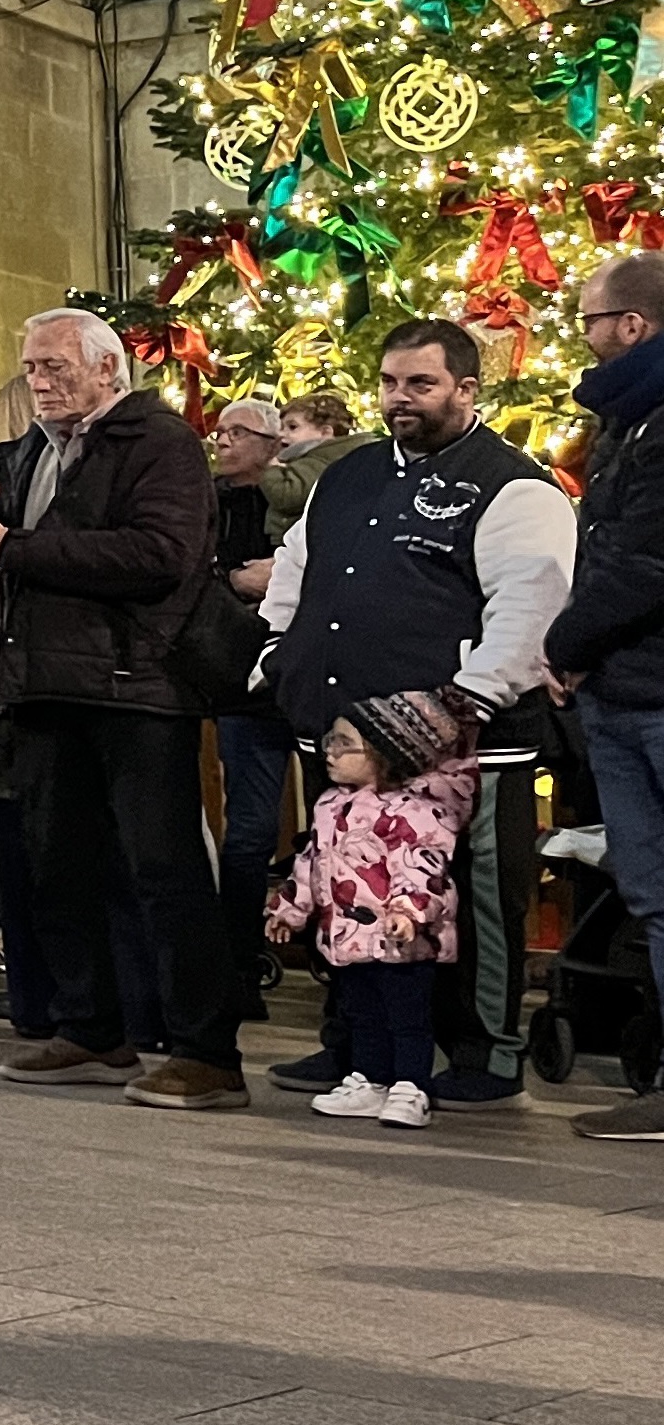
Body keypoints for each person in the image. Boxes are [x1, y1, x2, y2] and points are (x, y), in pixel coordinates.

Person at [254, 320, 571, 1111]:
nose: (401, 398)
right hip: (341, 733)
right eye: (392, 382)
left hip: (463, 742)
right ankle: (356, 1047)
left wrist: (464, 702)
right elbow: (297, 569)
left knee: (474, 895)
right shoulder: (350, 473)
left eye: (421, 384)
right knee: (344, 883)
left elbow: (531, 609)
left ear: (467, 390)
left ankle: (483, 1052)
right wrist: (275, 655)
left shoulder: (513, 485)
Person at [0, 308, 248, 1108]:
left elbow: (161, 554)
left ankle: (205, 1049)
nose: (39, 381)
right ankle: (91, 1027)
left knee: (163, 868)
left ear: (108, 371)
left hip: (136, 687)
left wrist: (16, 546)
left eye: (55, 366)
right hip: (46, 686)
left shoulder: (158, 444)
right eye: (31, 367)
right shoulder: (31, 452)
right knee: (59, 864)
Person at [542, 251, 664, 1142]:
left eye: (589, 320)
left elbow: (643, 563)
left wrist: (566, 644)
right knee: (653, 893)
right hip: (621, 688)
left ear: (632, 326)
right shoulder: (630, 419)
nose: (581, 336)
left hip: (649, 684)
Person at [267, 690, 479, 1129]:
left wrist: (409, 911)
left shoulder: (419, 812)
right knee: (361, 1013)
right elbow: (312, 862)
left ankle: (410, 1086)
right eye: (331, 740)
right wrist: (290, 909)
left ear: (385, 754)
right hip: (348, 938)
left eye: (345, 744)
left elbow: (425, 868)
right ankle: (369, 1080)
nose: (331, 751)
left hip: (401, 941)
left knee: (407, 1016)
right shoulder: (329, 805)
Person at [207, 397, 298, 1018]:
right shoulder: (207, 501)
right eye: (220, 432)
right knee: (249, 831)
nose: (224, 441)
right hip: (241, 682)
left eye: (240, 432)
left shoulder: (302, 500)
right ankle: (235, 966)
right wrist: (232, 581)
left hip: (310, 676)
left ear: (276, 446)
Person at [262, 391, 364, 526]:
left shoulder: (322, 460)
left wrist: (270, 467)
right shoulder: (313, 457)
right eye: (281, 427)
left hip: (299, 539)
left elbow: (287, 496)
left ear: (325, 432)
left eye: (292, 427)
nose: (281, 434)